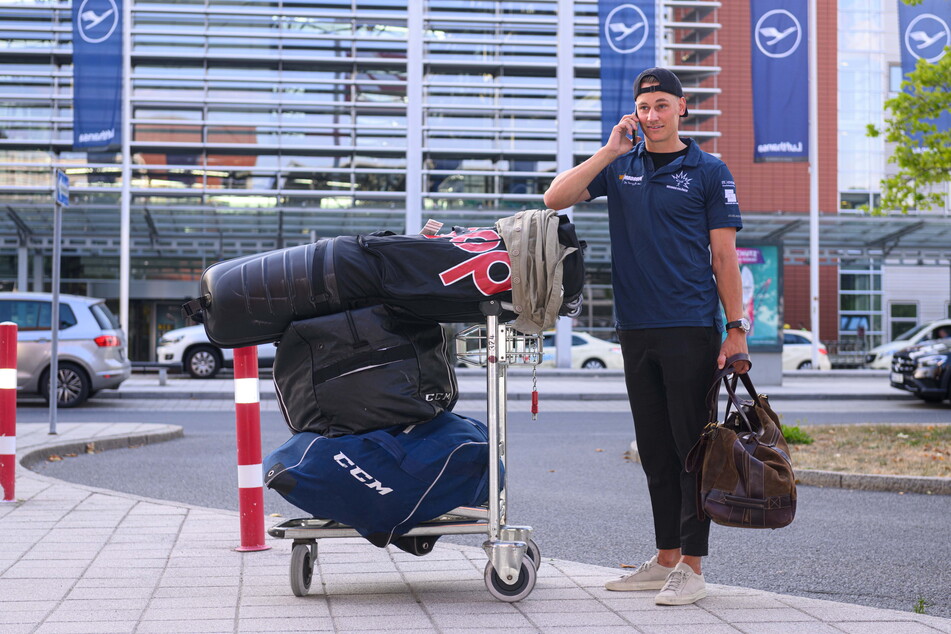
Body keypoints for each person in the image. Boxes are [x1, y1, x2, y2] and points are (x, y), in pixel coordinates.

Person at [543, 67, 750, 606]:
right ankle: (663, 559)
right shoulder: (621, 166)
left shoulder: (709, 170)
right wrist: (610, 151)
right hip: (635, 329)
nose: (652, 115)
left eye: (662, 104)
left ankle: (693, 567)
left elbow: (724, 257)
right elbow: (554, 198)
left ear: (682, 108)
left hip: (689, 326)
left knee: (690, 450)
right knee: (656, 451)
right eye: (644, 106)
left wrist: (736, 330)